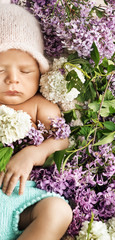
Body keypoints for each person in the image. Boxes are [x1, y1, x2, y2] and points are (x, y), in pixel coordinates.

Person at [0, 1, 73, 240]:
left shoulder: (40, 105)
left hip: (23, 202)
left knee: (57, 210)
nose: (12, 80)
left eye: (25, 71)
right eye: (0, 71)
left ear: (41, 71)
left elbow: (62, 140)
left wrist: (33, 153)